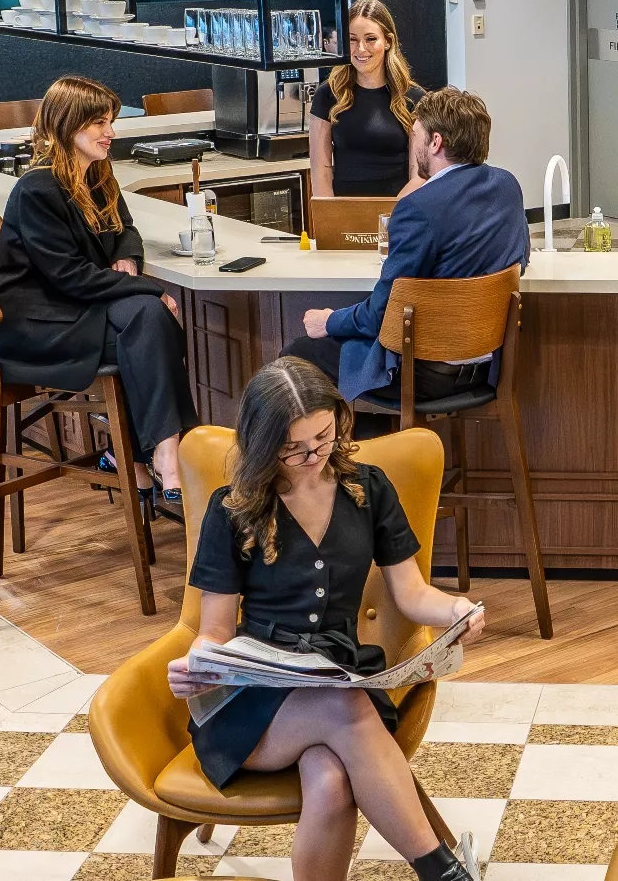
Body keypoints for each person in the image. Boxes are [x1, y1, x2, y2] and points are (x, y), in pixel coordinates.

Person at [168, 357, 484, 881]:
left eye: (323, 436)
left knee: (331, 778)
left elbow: (410, 592)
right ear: (263, 442)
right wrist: (197, 665)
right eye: (294, 447)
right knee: (346, 709)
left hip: (339, 674)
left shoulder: (369, 489)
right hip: (253, 704)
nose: (314, 454)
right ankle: (445, 874)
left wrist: (456, 610)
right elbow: (215, 632)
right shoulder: (234, 508)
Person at [0, 75, 198, 505]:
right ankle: (159, 454)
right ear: (68, 125)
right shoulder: (36, 189)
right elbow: (69, 275)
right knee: (150, 315)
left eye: (111, 122)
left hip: (80, 305)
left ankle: (154, 454)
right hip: (40, 320)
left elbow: (127, 230)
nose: (111, 133)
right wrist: (147, 287)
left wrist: (128, 259)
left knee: (148, 317)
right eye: (100, 123)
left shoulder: (97, 174)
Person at [284, 86, 530, 403]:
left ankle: (335, 450)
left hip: (424, 372)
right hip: (486, 366)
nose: (413, 145)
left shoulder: (418, 208)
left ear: (436, 142)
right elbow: (520, 258)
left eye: (415, 135)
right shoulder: (507, 185)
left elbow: (381, 314)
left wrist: (329, 320)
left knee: (296, 356)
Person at [309, 0, 426, 198]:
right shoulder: (327, 95)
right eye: (352, 39)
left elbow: (419, 175)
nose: (361, 49)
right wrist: (329, 220)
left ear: (388, 41)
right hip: (344, 212)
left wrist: (391, 216)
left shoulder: (414, 98)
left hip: (398, 212)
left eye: (370, 39)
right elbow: (321, 172)